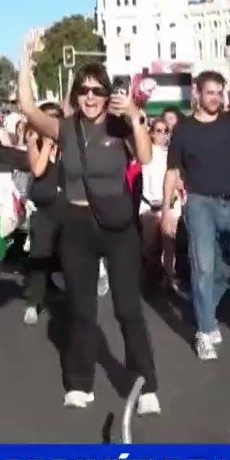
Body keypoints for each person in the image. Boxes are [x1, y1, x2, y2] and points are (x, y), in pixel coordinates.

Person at [17, 29, 160, 413]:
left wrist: (133, 116)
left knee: (127, 308)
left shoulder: (119, 126)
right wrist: (25, 58)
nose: (92, 97)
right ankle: (80, 383)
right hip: (77, 225)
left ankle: (146, 386)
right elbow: (28, 110)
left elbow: (145, 158)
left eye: (98, 90)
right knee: (81, 309)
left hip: (117, 228)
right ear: (76, 95)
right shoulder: (65, 127)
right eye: (85, 91)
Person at [163, 65, 230, 360]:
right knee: (203, 267)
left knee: (226, 267)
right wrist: (165, 211)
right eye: (209, 93)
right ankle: (204, 330)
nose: (215, 98)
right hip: (199, 203)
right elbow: (172, 170)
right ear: (197, 94)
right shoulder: (184, 129)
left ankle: (206, 312)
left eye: (218, 93)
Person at [23, 101, 65, 325]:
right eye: (47, 117)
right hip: (44, 210)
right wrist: (47, 143)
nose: (52, 121)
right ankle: (33, 302)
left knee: (69, 255)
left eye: (56, 117)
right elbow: (37, 169)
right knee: (40, 256)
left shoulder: (69, 144)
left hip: (67, 208)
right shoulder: (35, 142)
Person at [138, 115, 182, 290]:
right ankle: (152, 278)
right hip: (150, 207)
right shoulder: (146, 153)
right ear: (151, 134)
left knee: (169, 244)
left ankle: (170, 279)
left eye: (166, 131)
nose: (163, 135)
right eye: (159, 131)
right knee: (150, 248)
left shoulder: (174, 153)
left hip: (171, 205)